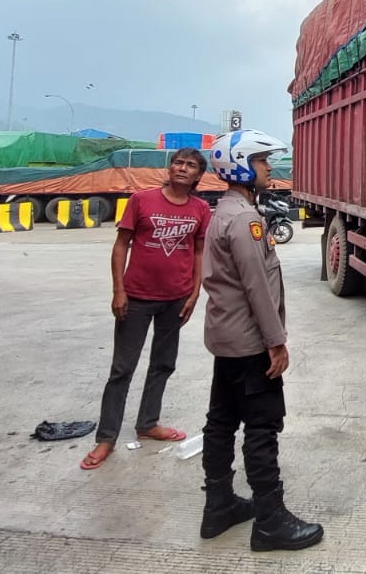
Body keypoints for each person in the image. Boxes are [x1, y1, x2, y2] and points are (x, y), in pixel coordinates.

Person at [198, 129, 324, 552]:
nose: (269, 167)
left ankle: (218, 506)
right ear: (241, 167)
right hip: (251, 343)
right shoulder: (245, 220)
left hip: (226, 339)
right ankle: (270, 520)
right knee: (262, 426)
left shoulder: (224, 211)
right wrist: (276, 341)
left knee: (221, 421)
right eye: (261, 160)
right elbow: (257, 288)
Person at [82, 148, 211, 470]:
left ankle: (148, 423)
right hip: (136, 298)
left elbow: (199, 251)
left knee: (163, 364)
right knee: (122, 369)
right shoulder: (141, 200)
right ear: (169, 168)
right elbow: (121, 245)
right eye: (178, 163)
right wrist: (119, 290)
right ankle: (106, 438)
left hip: (176, 299)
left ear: (198, 175)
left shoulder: (200, 209)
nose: (182, 168)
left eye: (190, 165)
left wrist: (195, 292)